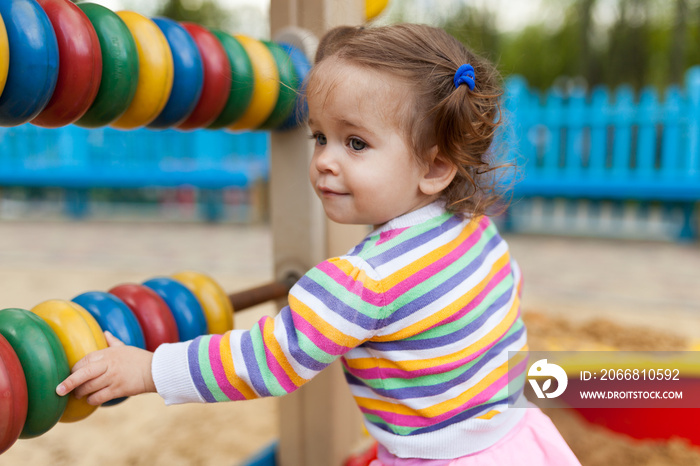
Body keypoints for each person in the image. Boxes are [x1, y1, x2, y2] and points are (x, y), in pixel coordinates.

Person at [57, 23, 580, 465]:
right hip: (516, 440)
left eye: (356, 143)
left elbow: (270, 359)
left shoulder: (363, 282)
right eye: (320, 137)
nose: (327, 159)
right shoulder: (478, 231)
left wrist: (151, 369)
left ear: (435, 166)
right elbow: (502, 310)